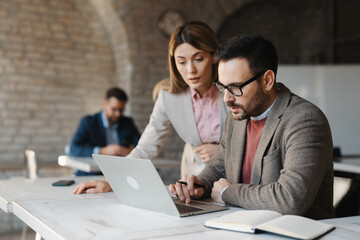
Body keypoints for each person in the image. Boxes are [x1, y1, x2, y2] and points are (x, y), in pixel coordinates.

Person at [169, 34, 335, 220]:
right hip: (241, 226)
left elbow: (290, 199)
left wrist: (228, 192)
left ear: (267, 81)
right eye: (222, 87)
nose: (227, 98)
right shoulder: (238, 117)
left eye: (235, 88)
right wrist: (198, 185)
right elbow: (220, 167)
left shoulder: (305, 120)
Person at [73, 21, 229, 194]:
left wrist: (223, 152)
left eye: (198, 59)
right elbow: (146, 146)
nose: (190, 69)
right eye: (182, 62)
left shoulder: (233, 89)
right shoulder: (168, 98)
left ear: (214, 56)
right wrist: (113, 181)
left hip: (234, 178)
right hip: (194, 181)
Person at [69, 87, 141, 176]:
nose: (118, 114)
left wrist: (132, 150)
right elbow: (73, 149)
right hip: (93, 174)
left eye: (121, 110)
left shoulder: (127, 123)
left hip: (120, 173)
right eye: (114, 109)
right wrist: (102, 151)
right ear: (104, 104)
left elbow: (141, 145)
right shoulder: (89, 122)